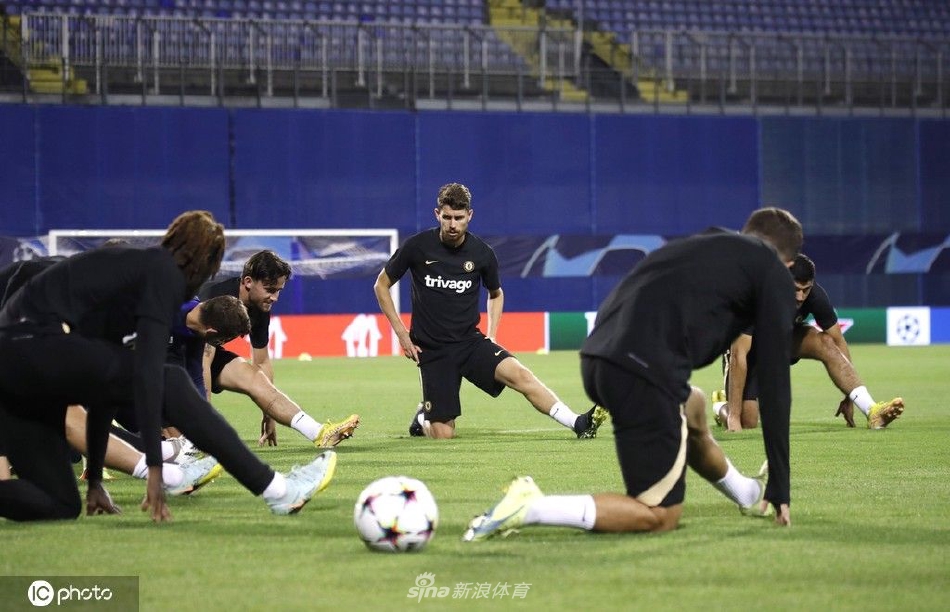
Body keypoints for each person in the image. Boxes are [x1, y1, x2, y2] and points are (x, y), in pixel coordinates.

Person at [464, 207, 804, 541]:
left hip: (599, 355)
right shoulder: (772, 270)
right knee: (660, 515)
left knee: (694, 407)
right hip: (643, 372)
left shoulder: (710, 240)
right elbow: (775, 381)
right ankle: (532, 507)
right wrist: (781, 482)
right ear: (788, 264)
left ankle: (746, 493)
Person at [0, 211, 336, 522]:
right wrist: (156, 471)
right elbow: (151, 380)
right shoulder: (159, 275)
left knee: (60, 503)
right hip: (28, 346)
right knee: (171, 381)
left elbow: (104, 386)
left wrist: (95, 480)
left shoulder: (123, 283)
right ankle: (279, 490)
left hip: (15, 368)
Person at [374, 182, 606, 440]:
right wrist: (402, 333)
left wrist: (492, 334)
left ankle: (578, 423)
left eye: (459, 218)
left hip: (470, 343)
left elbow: (496, 294)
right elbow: (381, 285)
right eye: (447, 217)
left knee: (520, 374)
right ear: (437, 214)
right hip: (433, 350)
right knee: (443, 435)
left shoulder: (482, 254)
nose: (453, 225)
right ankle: (423, 418)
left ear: (469, 215)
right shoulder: (417, 247)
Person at [713, 254, 904, 431]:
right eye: (795, 289)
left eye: (806, 290)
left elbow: (838, 341)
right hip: (748, 351)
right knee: (748, 422)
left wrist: (849, 397)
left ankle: (871, 410)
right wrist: (733, 417)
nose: (800, 297)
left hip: (783, 340)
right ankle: (721, 405)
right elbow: (738, 356)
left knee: (826, 342)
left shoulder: (815, 296)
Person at [199, 250, 360, 448]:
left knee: (254, 377)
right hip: (170, 352)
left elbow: (262, 361)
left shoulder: (259, 308)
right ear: (248, 282)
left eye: (278, 291)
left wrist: (269, 414)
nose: (274, 297)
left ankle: (319, 433)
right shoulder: (218, 300)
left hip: (199, 354)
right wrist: (204, 420)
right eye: (269, 289)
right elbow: (202, 360)